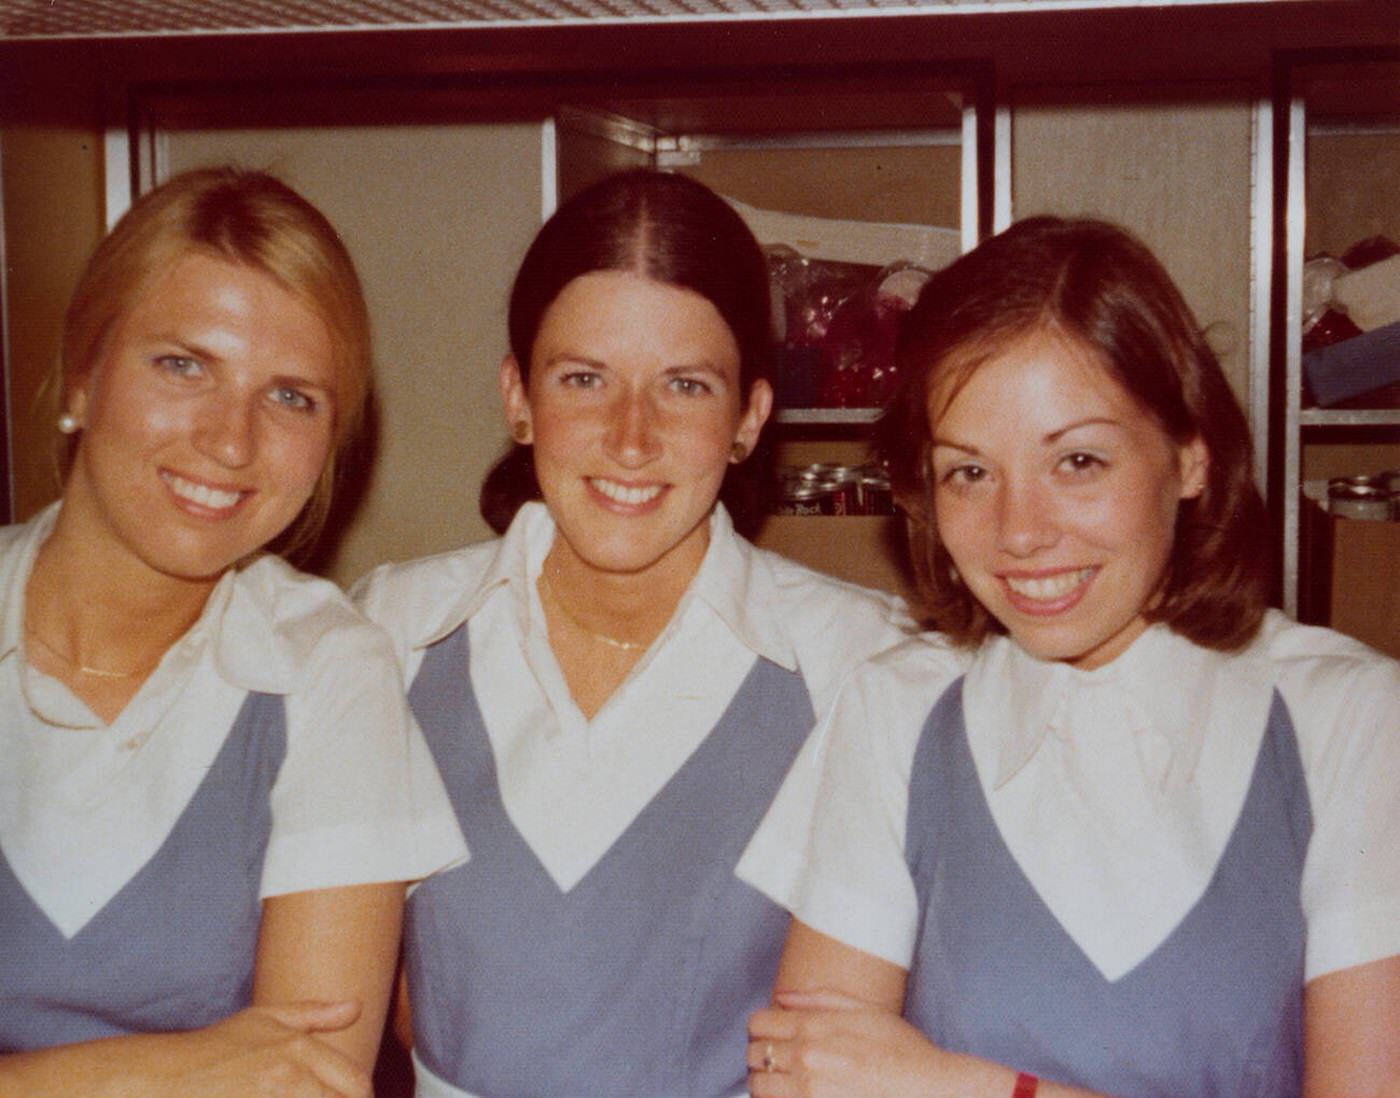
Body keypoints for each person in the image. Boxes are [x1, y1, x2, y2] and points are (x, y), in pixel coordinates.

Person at [740, 216, 1400, 1097]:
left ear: (1191, 456)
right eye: (970, 472)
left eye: (1078, 461)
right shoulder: (896, 709)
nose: (1019, 532)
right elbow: (810, 1075)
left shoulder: (1350, 720)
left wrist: (966, 1088)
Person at [353, 168, 911, 1098]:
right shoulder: (390, 634)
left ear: (750, 417)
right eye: (584, 379)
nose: (630, 437)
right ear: (518, 397)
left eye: (684, 386)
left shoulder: (864, 666)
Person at [0, 166, 466, 1098]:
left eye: (291, 397)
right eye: (184, 365)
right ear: (83, 378)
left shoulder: (328, 667)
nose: (230, 440)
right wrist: (156, 1072)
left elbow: (310, 1081)